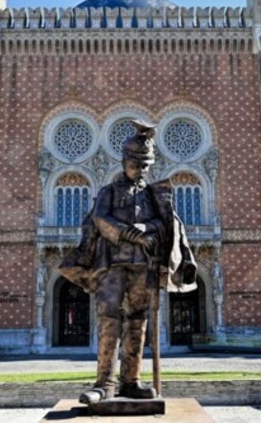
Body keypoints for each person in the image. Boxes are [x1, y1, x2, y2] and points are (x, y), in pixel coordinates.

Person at [59, 120, 196, 404]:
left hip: (142, 266)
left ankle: (131, 381)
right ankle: (104, 384)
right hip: (112, 264)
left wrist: (149, 229)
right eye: (136, 164)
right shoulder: (109, 192)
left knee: (138, 320)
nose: (140, 170)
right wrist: (128, 234)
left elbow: (164, 223)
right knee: (109, 317)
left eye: (145, 165)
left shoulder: (152, 195)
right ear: (124, 161)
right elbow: (99, 218)